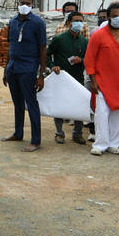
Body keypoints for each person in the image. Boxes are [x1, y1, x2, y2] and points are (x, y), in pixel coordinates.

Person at [84, 1, 119, 155]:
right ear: (108, 17)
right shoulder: (99, 35)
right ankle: (100, 144)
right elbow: (90, 59)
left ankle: (114, 143)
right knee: (102, 113)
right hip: (101, 80)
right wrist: (93, 80)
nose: (118, 18)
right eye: (115, 16)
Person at [2, 0, 48, 151]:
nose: (24, 5)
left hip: (28, 68)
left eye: (28, 3)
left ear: (32, 5)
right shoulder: (13, 22)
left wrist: (41, 75)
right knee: (17, 103)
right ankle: (18, 132)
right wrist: (5, 69)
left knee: (31, 103)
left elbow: (43, 49)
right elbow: (10, 46)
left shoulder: (38, 23)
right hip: (13, 68)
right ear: (18, 3)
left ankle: (36, 140)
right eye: (22, 3)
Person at [47, 10, 89, 144]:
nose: (78, 23)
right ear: (69, 23)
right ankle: (59, 133)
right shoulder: (59, 39)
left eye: (81, 21)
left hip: (77, 78)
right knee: (60, 106)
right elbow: (47, 54)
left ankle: (78, 133)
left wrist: (81, 60)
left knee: (79, 105)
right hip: (61, 78)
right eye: (76, 21)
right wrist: (53, 66)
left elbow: (90, 59)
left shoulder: (84, 41)